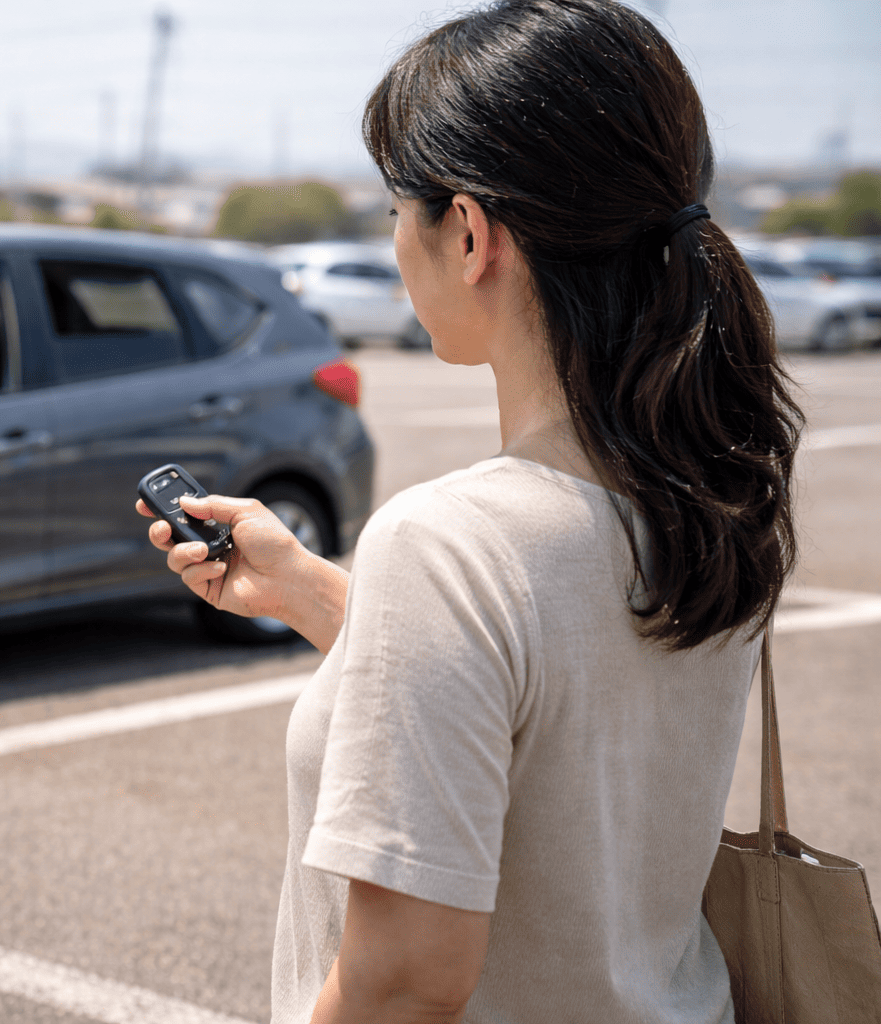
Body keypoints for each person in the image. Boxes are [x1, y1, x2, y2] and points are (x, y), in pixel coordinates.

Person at [139, 2, 803, 1021]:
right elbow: (556, 706)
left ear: (468, 231)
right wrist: (319, 596)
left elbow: (404, 987)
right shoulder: (710, 496)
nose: (394, 242)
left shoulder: (450, 544)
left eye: (396, 207)